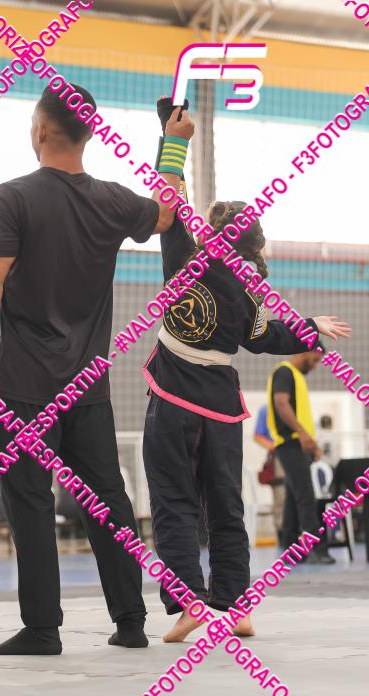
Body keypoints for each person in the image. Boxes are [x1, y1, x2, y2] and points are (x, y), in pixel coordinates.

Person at [0, 85, 194, 656]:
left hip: (22, 387)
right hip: (87, 389)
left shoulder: (11, 198)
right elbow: (168, 212)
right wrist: (172, 143)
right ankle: (131, 621)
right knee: (107, 500)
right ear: (88, 135)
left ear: (41, 130)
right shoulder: (113, 201)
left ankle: (43, 630)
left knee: (30, 503)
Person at [142, 186, 351, 643]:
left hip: (173, 398)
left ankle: (190, 603)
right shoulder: (250, 288)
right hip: (220, 408)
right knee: (226, 505)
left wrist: (171, 150)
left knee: (173, 502)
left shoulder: (184, 257)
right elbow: (261, 339)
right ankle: (237, 607)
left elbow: (168, 196)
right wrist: (310, 327)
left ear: (211, 230)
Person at [267, 351, 337, 564]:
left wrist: (312, 446)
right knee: (306, 496)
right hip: (290, 443)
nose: (315, 366)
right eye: (315, 360)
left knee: (293, 497)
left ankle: (291, 550)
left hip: (300, 444)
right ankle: (317, 549)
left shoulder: (296, 376)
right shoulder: (284, 372)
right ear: (306, 351)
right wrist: (302, 434)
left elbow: (301, 417)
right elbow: (281, 403)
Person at [253, 404, 286, 544]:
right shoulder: (266, 409)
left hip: (297, 454)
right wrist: (275, 447)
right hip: (279, 456)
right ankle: (282, 535)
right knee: (280, 497)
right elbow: (257, 436)